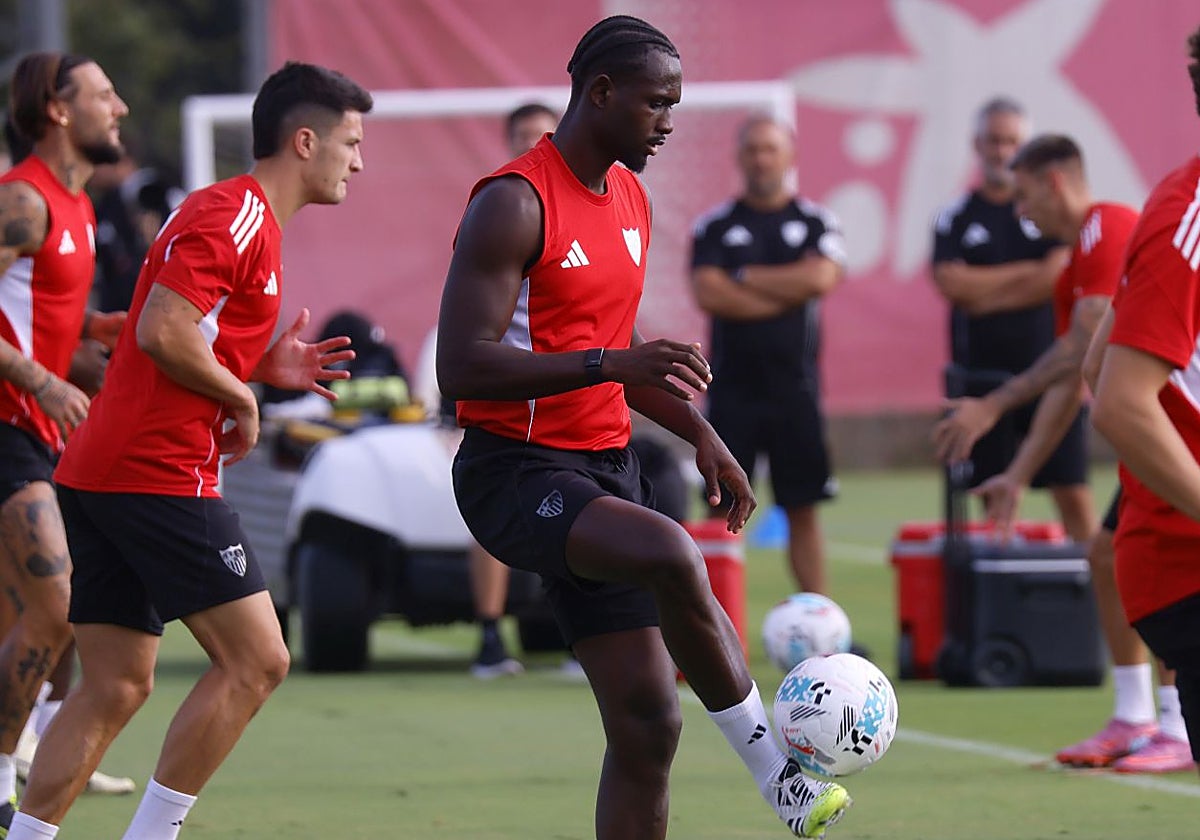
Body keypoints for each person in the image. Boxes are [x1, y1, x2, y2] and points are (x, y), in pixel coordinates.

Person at [439, 15, 849, 839]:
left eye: (675, 104)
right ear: (600, 93)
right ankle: (780, 778)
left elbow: (619, 355)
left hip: (603, 469)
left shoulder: (630, 197)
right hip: (514, 473)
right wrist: (607, 366)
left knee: (649, 726)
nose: (669, 122)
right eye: (657, 103)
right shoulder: (513, 203)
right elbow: (463, 368)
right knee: (672, 549)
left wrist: (702, 434)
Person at [6, 61, 372, 840]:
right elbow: (161, 330)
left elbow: (180, 336)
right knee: (259, 660)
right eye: (350, 141)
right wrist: (242, 396)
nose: (358, 160)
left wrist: (256, 366)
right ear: (303, 141)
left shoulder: (243, 221)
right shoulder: (235, 214)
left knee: (112, 686)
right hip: (157, 471)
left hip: (103, 467)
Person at [935, 134, 1192, 772]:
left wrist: (992, 407)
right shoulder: (1081, 254)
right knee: (1108, 553)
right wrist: (1019, 472)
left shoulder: (1109, 227)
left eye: (1024, 197)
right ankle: (1136, 717)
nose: (1022, 215)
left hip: (1170, 435)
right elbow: (1081, 379)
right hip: (1152, 431)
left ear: (1054, 182)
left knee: (1165, 564)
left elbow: (1084, 350)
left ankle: (1174, 723)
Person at [0, 53, 135, 828]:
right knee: (56, 607)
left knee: (29, 618)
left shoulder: (79, 207)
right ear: (57, 110)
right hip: (9, 426)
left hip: (39, 427)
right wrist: (44, 381)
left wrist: (91, 333)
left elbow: (32, 311)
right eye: (103, 94)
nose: (118, 108)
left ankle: (25, 759)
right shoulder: (22, 199)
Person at [1090, 21, 1200, 781]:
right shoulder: (1187, 214)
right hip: (1187, 564)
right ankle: (1142, 715)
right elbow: (1120, 400)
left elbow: (1098, 352)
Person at [688, 114, 845, 595]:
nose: (761, 159)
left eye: (770, 149)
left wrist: (745, 276)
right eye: (752, 149)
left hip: (795, 390)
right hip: (732, 389)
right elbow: (709, 293)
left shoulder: (816, 220)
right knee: (720, 505)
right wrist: (786, 289)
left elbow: (821, 278)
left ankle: (821, 622)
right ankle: (709, 625)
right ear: (739, 158)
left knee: (802, 507)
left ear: (790, 156)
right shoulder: (716, 226)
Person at [930, 98, 1093, 541]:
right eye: (993, 141)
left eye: (1011, 142)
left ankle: (1095, 590)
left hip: (1053, 369)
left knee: (1073, 492)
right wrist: (1031, 278)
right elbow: (952, 285)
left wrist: (985, 288)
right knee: (995, 496)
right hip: (983, 376)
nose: (1001, 151)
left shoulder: (1081, 226)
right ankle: (1004, 587)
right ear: (977, 145)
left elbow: (1056, 278)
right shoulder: (956, 216)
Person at [467, 101, 560, 679]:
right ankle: (489, 633)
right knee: (496, 515)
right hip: (512, 402)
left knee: (584, 514)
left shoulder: (602, 202)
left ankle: (577, 633)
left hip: (580, 401)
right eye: (523, 136)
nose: (535, 143)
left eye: (542, 134)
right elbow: (472, 329)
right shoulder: (503, 208)